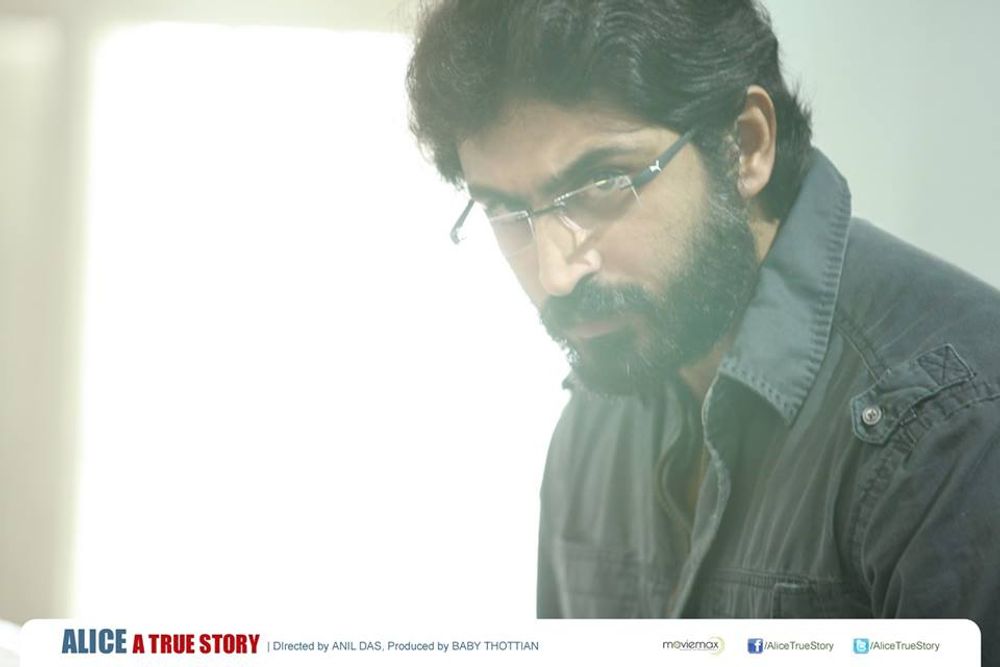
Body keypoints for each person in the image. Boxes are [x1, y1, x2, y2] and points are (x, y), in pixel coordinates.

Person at [405, 0, 1000, 658]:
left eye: (602, 182)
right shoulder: (593, 423)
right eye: (506, 211)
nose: (555, 273)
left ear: (745, 145)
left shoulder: (954, 430)